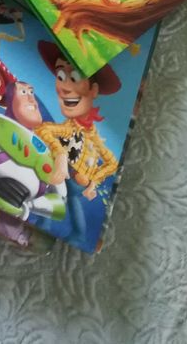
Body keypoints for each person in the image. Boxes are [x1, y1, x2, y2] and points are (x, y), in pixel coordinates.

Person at [34, 41, 120, 244]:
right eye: (60, 76)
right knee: (65, 198)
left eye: (74, 77)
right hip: (69, 177)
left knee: (59, 195)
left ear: (93, 90)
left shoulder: (89, 134)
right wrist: (60, 155)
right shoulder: (71, 128)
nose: (65, 87)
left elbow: (112, 162)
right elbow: (43, 130)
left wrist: (94, 181)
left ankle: (47, 226)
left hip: (75, 179)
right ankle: (54, 228)